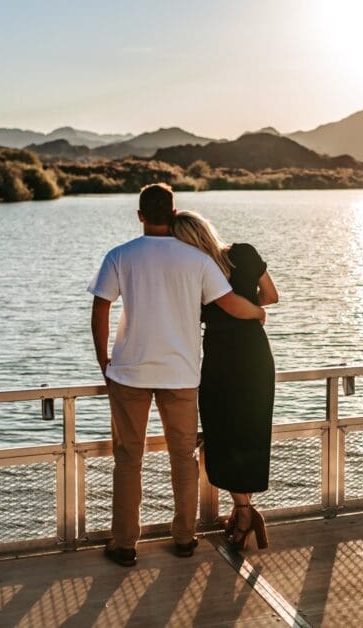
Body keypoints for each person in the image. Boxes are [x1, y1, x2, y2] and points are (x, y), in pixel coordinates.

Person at [89, 184, 266, 567]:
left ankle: (124, 545)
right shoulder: (196, 261)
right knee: (183, 458)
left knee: (128, 459)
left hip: (129, 374)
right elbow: (229, 303)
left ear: (140, 216)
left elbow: (100, 308)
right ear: (173, 213)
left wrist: (104, 362)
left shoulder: (120, 256)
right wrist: (257, 313)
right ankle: (185, 539)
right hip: (182, 375)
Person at [171, 210, 277, 551]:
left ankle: (244, 511)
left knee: (222, 433)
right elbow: (272, 296)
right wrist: (253, 309)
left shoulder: (195, 271)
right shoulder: (244, 252)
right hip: (256, 355)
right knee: (250, 429)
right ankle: (244, 511)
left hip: (220, 359)